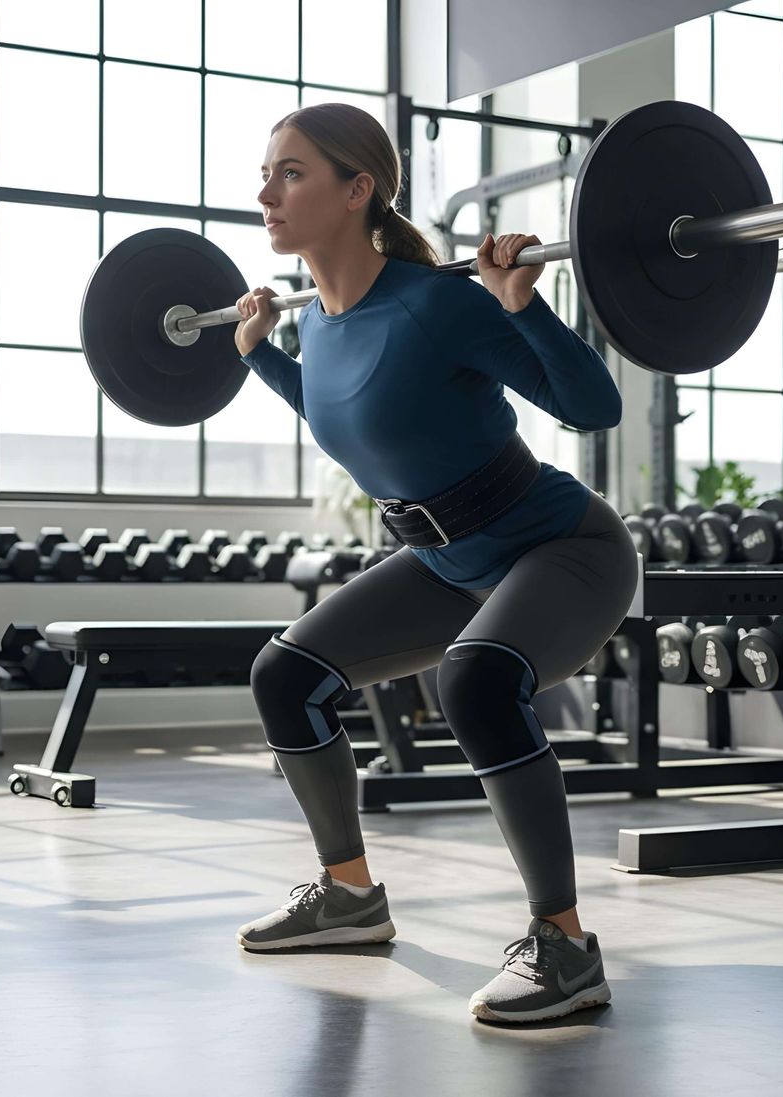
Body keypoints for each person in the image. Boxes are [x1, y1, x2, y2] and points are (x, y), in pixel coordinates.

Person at [230, 102, 636, 1025]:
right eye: (266, 172)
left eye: (290, 172)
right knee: (285, 675)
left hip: (561, 547)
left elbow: (594, 405)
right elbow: (356, 414)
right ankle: (349, 895)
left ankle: (566, 947)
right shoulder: (320, 324)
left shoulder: (438, 302)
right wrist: (263, 361)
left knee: (478, 683)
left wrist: (521, 307)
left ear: (357, 189)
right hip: (448, 561)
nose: (266, 192)